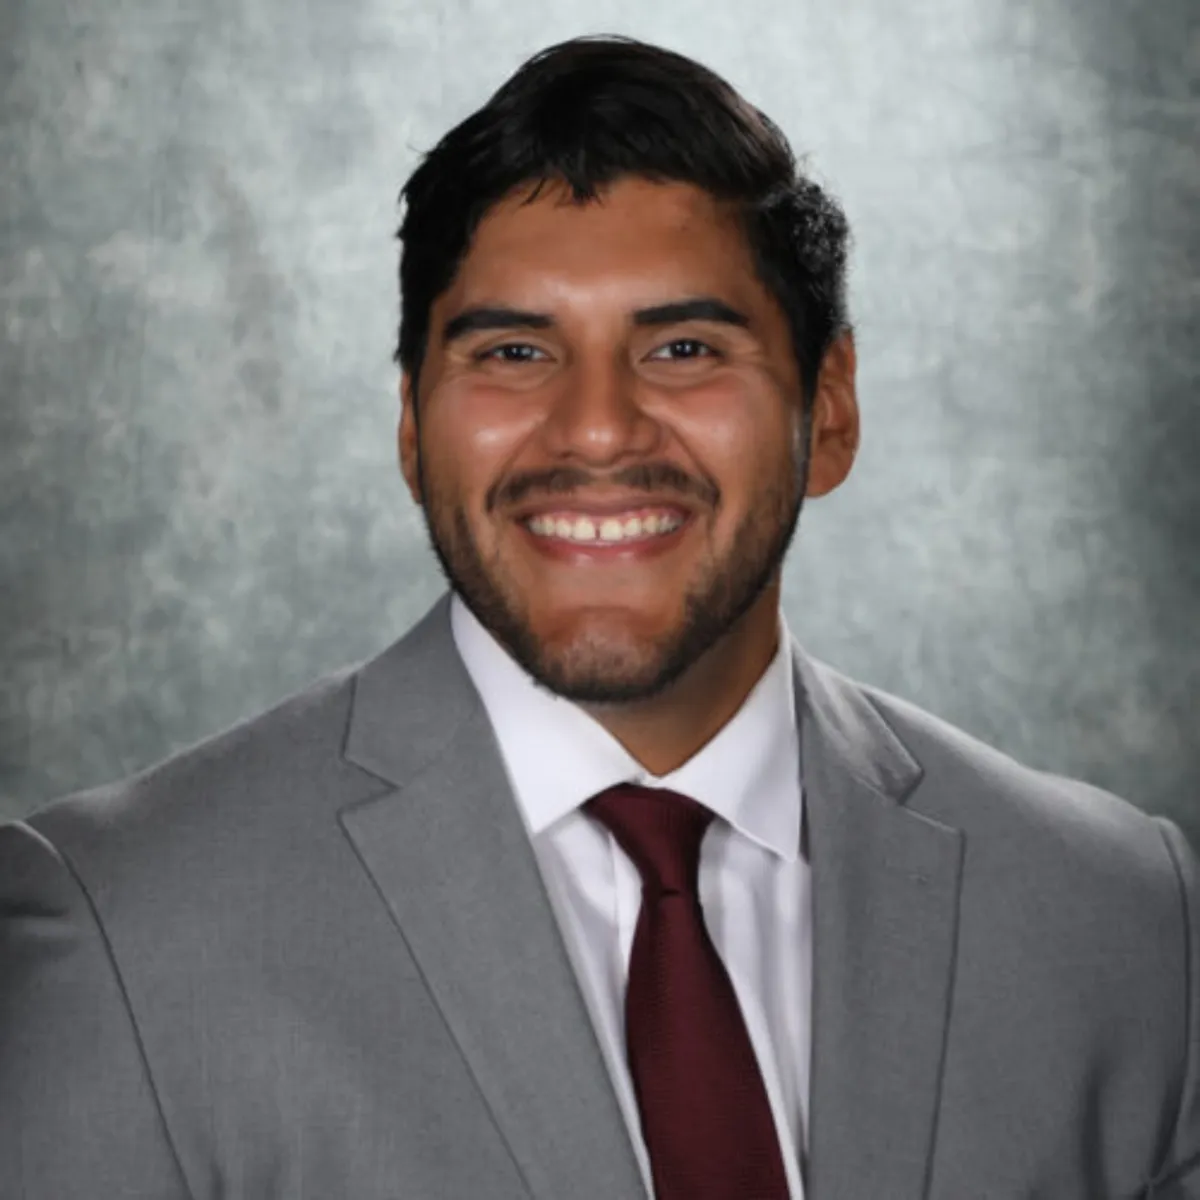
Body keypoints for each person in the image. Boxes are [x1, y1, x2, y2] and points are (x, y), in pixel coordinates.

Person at [0, 34, 1196, 1200]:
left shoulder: (1124, 918)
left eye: (683, 346)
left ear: (829, 410)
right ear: (412, 428)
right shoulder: (123, 926)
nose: (597, 430)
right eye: (515, 352)